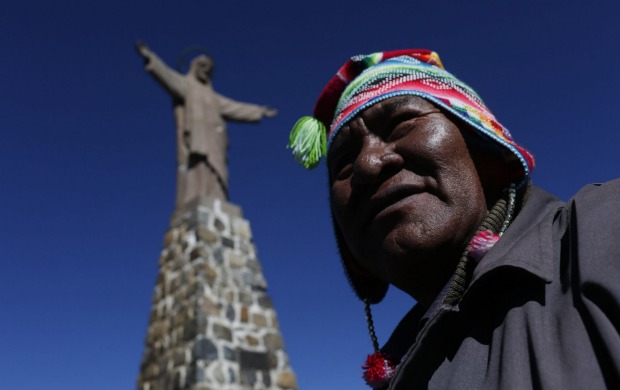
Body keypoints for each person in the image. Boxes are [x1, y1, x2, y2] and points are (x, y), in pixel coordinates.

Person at [289, 49, 620, 389]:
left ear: (488, 152)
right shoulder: (399, 366)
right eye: (344, 163)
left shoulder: (606, 228)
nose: (367, 165)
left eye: (401, 124)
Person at [136, 42, 277, 207]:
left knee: (218, 170)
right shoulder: (186, 86)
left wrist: (258, 111)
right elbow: (167, 75)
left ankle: (218, 199)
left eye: (209, 68)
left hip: (216, 139)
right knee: (199, 166)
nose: (206, 70)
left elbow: (234, 107)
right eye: (202, 66)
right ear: (193, 66)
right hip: (198, 137)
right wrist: (150, 57)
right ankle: (197, 196)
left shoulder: (214, 97)